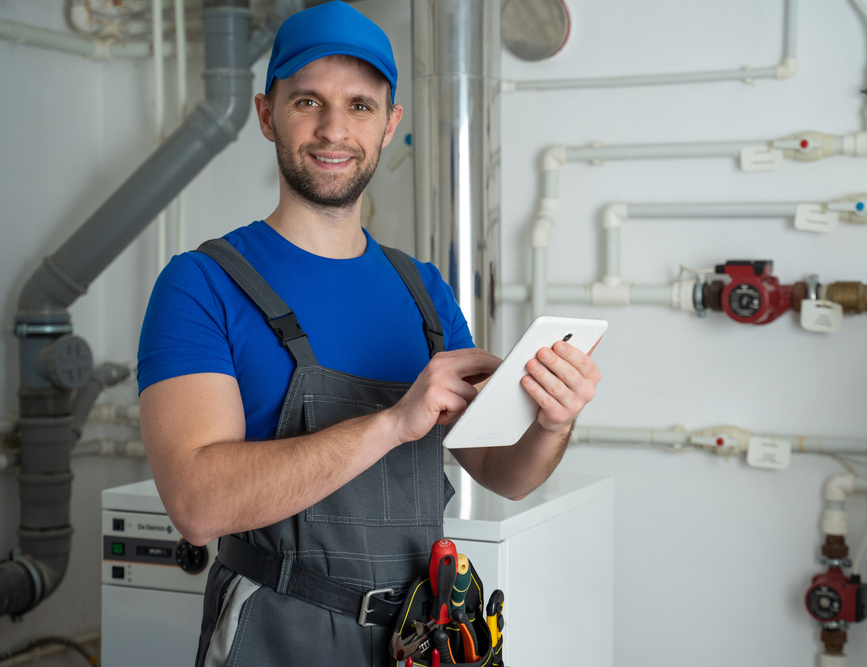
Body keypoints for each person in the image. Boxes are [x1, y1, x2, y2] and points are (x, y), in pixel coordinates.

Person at [137, 2, 601, 665]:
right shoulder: (201, 284)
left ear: (390, 124)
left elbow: (504, 470)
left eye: (359, 105)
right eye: (307, 101)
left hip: (421, 636)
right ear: (268, 114)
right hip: (277, 633)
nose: (334, 128)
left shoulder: (425, 292)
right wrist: (393, 422)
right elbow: (198, 503)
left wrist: (553, 420)